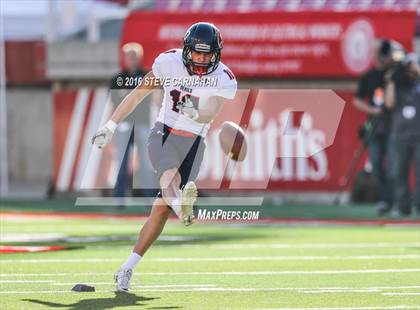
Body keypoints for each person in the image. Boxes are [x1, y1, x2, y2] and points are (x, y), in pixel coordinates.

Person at [91, 22, 237, 292]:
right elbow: (137, 95)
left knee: (159, 212)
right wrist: (110, 127)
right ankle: (183, 206)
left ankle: (126, 268)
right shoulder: (168, 63)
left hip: (195, 142)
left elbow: (210, 112)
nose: (202, 59)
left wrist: (193, 110)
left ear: (217, 53)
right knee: (169, 177)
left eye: (207, 54)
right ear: (186, 50)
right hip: (164, 133)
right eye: (197, 53)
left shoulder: (225, 77)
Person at [353, 39, 396, 215]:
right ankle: (385, 197)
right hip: (374, 125)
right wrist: (372, 110)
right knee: (376, 163)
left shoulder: (392, 73)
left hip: (392, 125)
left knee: (394, 164)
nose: (378, 55)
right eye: (375, 51)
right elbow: (356, 101)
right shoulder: (368, 76)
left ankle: (392, 198)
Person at [385, 53, 420, 216]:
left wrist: (417, 71)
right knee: (399, 172)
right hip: (400, 136)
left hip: (418, 136)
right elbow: (389, 103)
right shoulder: (398, 84)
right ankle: (403, 206)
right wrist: (391, 80)